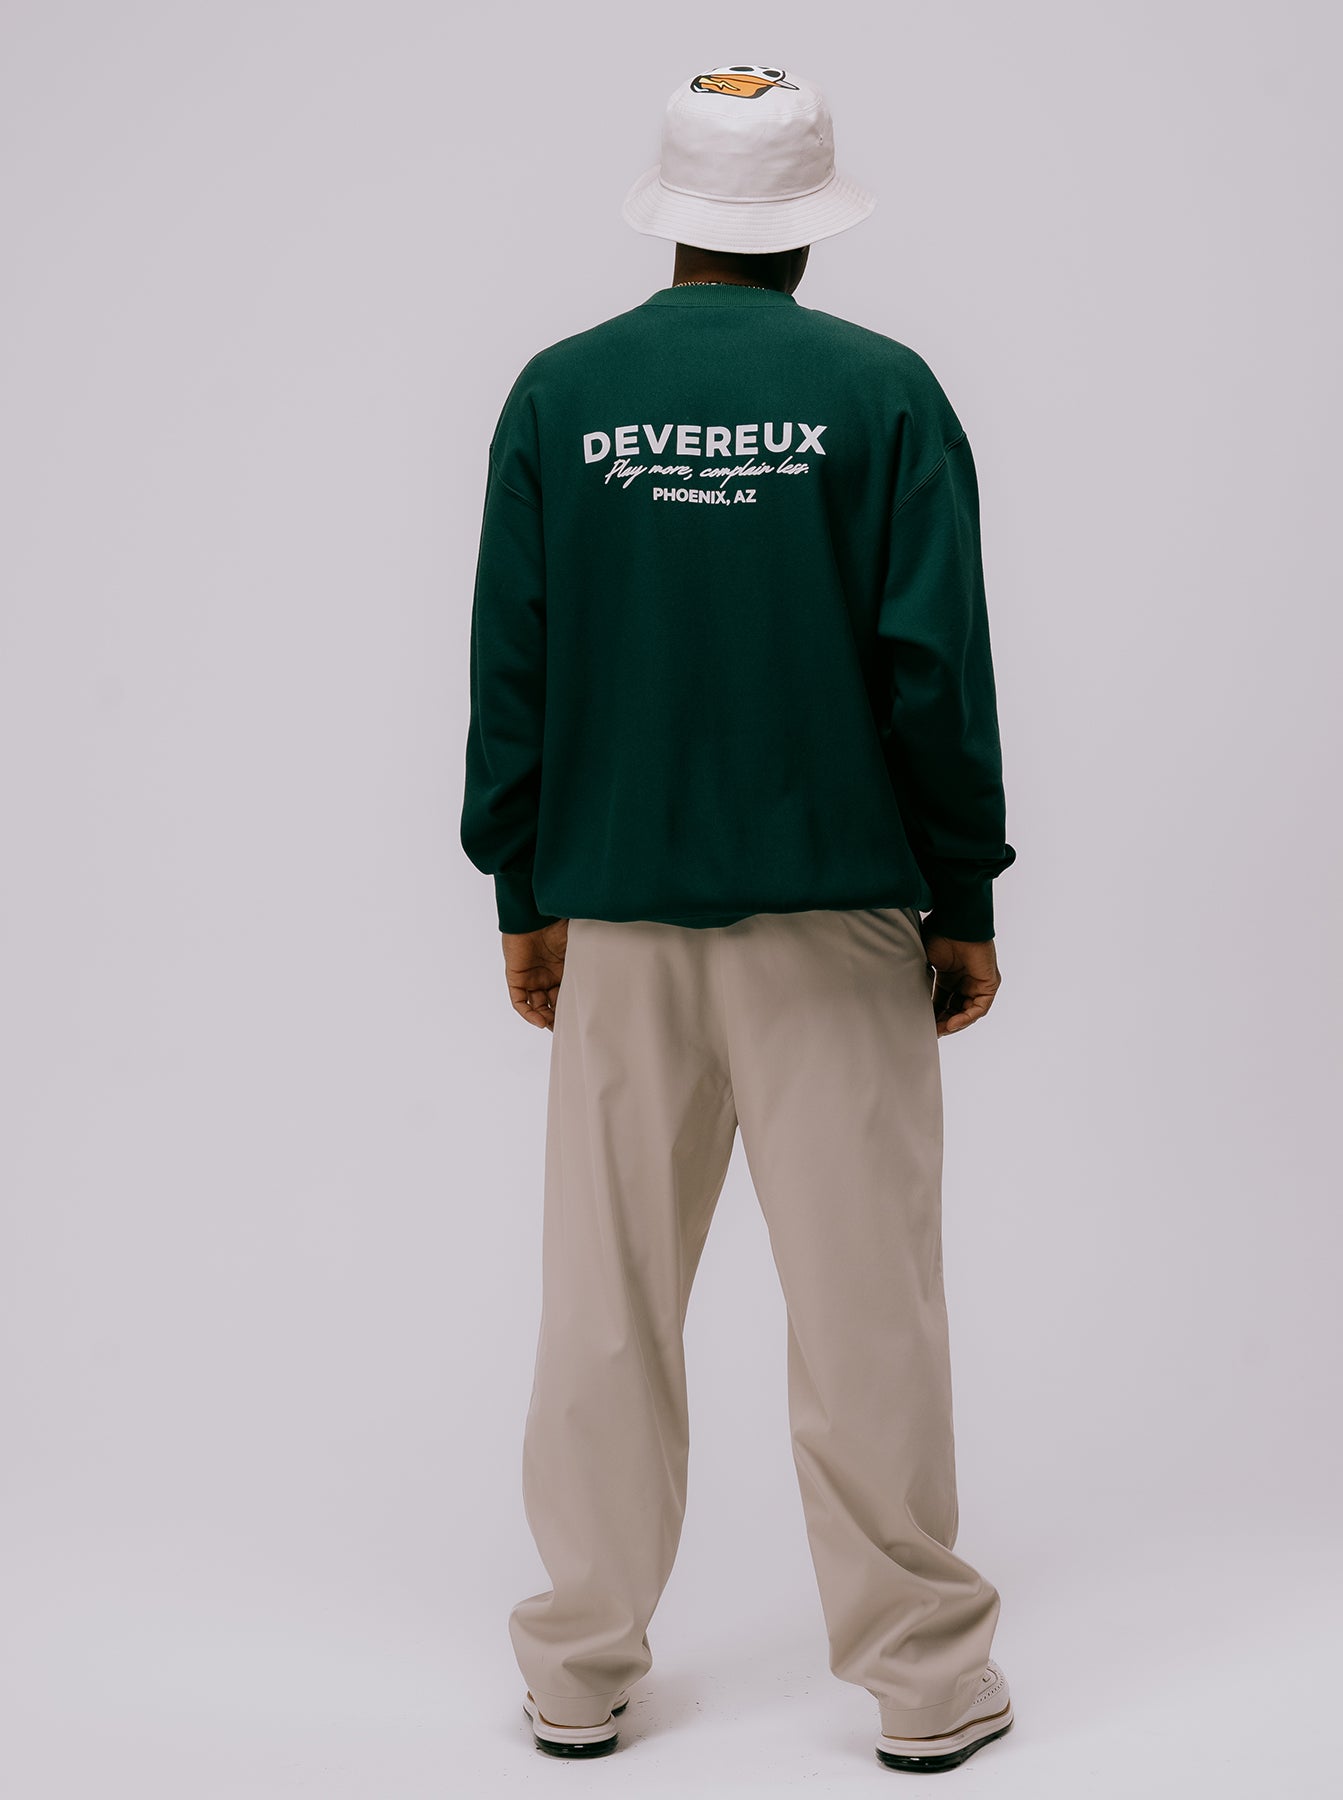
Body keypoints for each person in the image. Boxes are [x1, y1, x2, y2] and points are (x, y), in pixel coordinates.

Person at [460, 61, 1018, 1776]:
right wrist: (964, 894)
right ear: (806, 225)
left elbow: (514, 665)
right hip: (837, 923)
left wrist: (524, 888)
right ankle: (925, 1684)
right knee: (867, 1312)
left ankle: (577, 1671)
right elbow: (934, 672)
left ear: (674, 213)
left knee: (606, 1306)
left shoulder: (564, 395)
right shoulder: (882, 395)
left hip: (619, 920)